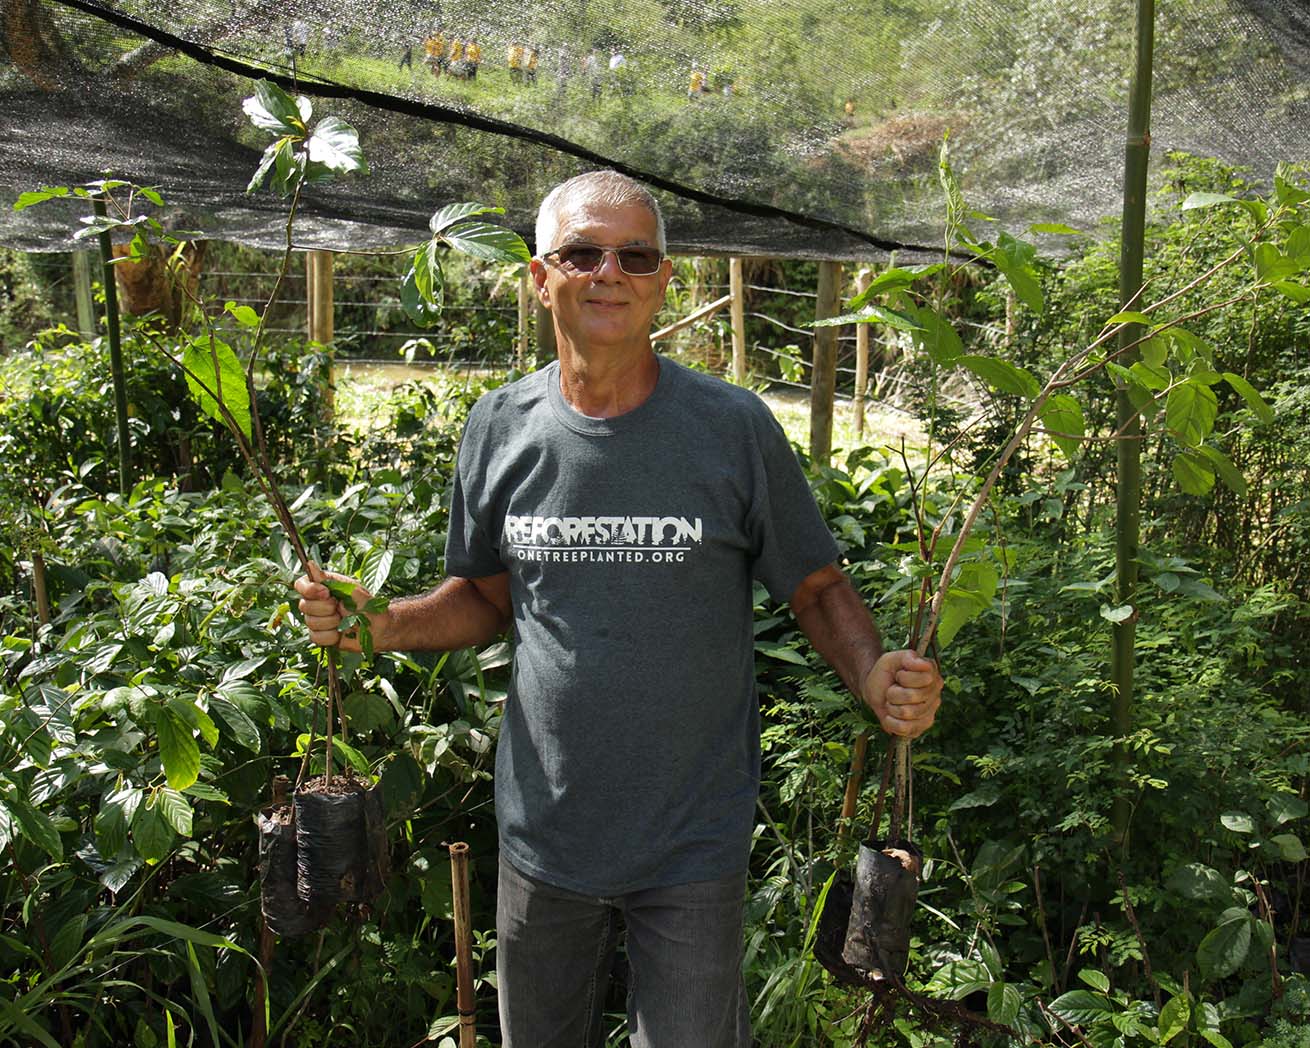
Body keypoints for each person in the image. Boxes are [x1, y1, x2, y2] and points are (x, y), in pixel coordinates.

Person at [294, 170, 942, 1048]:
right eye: (583, 253)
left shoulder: (731, 428)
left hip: (691, 838)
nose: (610, 273)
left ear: (663, 281)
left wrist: (872, 673)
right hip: (544, 829)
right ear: (540, 277)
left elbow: (816, 586)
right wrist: (381, 625)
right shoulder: (500, 426)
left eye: (636, 257)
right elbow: (484, 600)